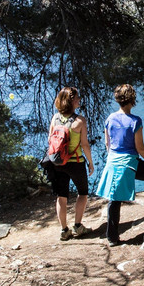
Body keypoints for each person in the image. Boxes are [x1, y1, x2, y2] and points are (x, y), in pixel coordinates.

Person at [96, 83, 144, 246]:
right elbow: (140, 148)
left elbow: (107, 144)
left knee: (114, 197)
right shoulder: (135, 121)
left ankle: (112, 237)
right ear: (132, 99)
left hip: (113, 162)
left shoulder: (110, 118)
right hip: (129, 164)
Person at [45, 86, 95, 241]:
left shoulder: (55, 118)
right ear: (71, 101)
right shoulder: (80, 121)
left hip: (58, 162)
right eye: (77, 98)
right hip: (75, 163)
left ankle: (64, 230)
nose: (79, 100)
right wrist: (90, 163)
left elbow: (49, 141)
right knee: (82, 193)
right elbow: (85, 145)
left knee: (61, 196)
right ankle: (78, 226)